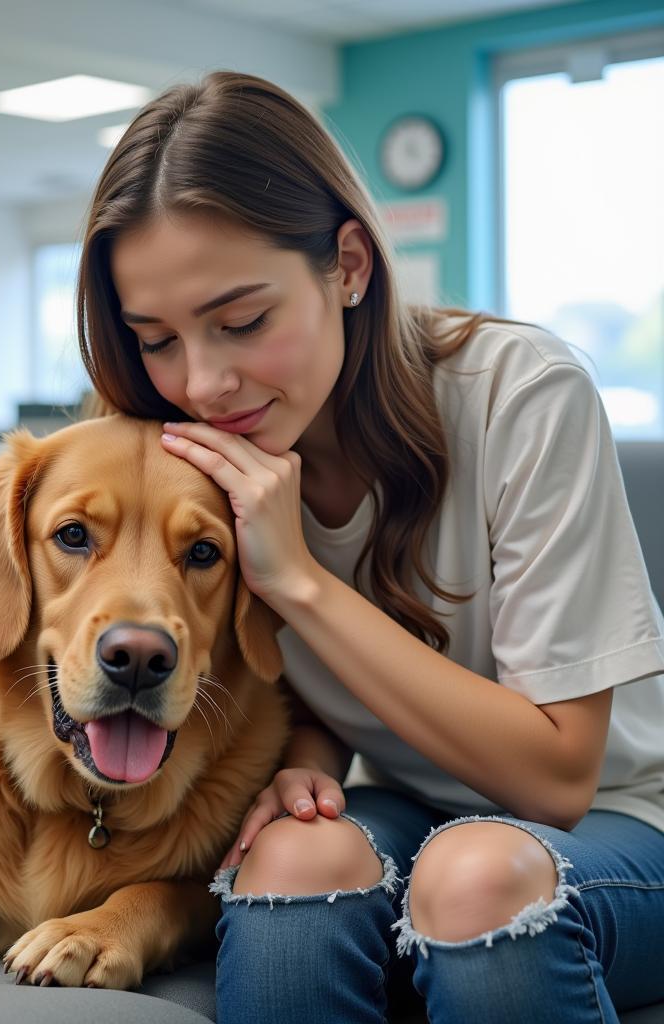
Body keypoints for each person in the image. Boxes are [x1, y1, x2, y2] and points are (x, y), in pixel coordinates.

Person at [73, 70, 664, 1023]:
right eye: (156, 338)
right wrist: (307, 753)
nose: (203, 383)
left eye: (242, 322)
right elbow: (288, 684)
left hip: (623, 817)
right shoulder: (195, 464)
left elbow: (556, 779)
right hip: (405, 803)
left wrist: (299, 581)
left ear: (349, 264)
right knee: (290, 866)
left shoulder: (522, 393)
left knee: (473, 878)